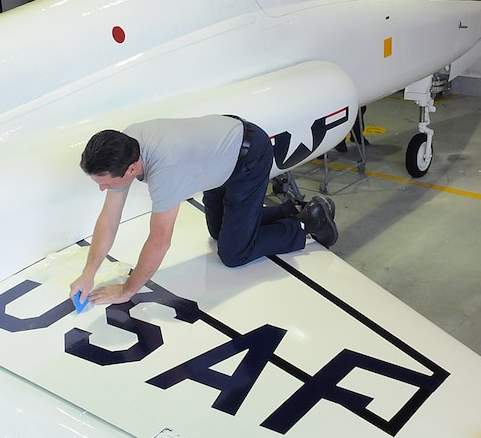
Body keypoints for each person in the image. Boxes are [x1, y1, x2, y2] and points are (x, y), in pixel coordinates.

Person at [69, 115, 337, 307]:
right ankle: (291, 209)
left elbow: (160, 241)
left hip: (248, 155)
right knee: (219, 232)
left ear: (130, 170)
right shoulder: (123, 147)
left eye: (105, 183)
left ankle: (305, 223)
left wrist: (127, 290)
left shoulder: (166, 169)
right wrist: (88, 273)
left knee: (233, 253)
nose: (103, 189)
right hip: (215, 157)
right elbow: (109, 219)